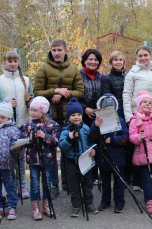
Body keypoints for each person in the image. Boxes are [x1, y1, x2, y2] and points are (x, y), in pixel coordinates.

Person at [34, 38, 84, 199]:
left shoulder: (74, 69)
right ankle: (53, 183)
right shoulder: (43, 68)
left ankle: (68, 182)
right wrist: (55, 91)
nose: (57, 53)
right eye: (54, 50)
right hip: (49, 118)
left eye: (59, 50)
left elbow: (80, 91)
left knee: (67, 149)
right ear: (51, 51)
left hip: (68, 117)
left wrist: (66, 94)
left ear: (65, 51)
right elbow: (37, 92)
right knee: (50, 153)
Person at [123, 45, 152, 191]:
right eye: (140, 55)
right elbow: (127, 95)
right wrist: (129, 116)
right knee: (138, 147)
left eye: (145, 55)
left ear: (150, 55)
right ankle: (137, 181)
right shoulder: (132, 74)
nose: (143, 58)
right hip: (137, 115)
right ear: (136, 57)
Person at [20, 96, 60, 219]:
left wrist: (44, 136)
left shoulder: (52, 124)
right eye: (31, 110)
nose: (32, 113)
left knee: (47, 182)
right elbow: (23, 142)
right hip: (33, 160)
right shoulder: (27, 125)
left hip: (47, 159)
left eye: (35, 110)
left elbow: (55, 141)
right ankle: (35, 208)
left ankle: (46, 206)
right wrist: (30, 138)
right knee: (34, 183)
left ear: (43, 111)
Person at [0, 50, 32, 199]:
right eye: (10, 61)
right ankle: (10, 187)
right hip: (4, 126)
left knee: (20, 157)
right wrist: (4, 103)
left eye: (15, 61)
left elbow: (30, 99)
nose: (13, 64)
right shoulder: (0, 81)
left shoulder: (25, 79)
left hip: (21, 124)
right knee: (6, 158)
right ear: (4, 63)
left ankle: (22, 186)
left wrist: (30, 101)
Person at [58, 98, 98, 217]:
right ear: (68, 117)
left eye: (79, 114)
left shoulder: (86, 128)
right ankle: (76, 205)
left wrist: (93, 150)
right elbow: (62, 147)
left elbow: (92, 142)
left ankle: (89, 203)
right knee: (74, 185)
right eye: (73, 115)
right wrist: (69, 138)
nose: (76, 117)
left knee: (87, 183)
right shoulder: (65, 131)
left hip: (85, 160)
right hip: (72, 161)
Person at [90, 93, 129, 213]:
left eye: (110, 108)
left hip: (118, 157)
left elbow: (126, 137)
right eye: (105, 108)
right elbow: (92, 137)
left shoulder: (120, 120)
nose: (108, 110)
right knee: (105, 182)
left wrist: (112, 139)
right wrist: (96, 127)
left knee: (119, 182)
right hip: (103, 157)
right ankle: (105, 201)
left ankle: (119, 202)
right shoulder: (97, 121)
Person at [129, 91, 152, 214]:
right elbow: (132, 136)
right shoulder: (135, 119)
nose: (148, 104)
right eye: (145, 102)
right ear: (139, 104)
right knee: (147, 177)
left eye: (150, 103)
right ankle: (149, 200)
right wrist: (139, 137)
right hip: (143, 151)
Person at [101, 51, 131, 183]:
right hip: (114, 117)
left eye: (120, 60)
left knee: (129, 146)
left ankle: (128, 176)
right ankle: (119, 176)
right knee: (117, 147)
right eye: (115, 60)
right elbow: (106, 99)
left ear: (124, 62)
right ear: (111, 62)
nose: (118, 62)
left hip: (128, 114)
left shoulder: (128, 77)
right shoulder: (107, 78)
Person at [79, 48, 103, 186]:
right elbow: (75, 96)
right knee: (86, 145)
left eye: (96, 60)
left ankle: (97, 174)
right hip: (84, 116)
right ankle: (89, 175)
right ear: (84, 60)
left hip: (98, 116)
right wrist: (84, 109)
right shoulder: (79, 76)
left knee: (98, 144)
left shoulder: (101, 77)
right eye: (90, 59)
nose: (93, 62)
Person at [0, 97, 20, 220]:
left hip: (7, 164)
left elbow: (16, 144)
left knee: (10, 185)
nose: (0, 120)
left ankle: (12, 206)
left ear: (8, 118)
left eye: (2, 118)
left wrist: (16, 147)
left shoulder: (13, 130)